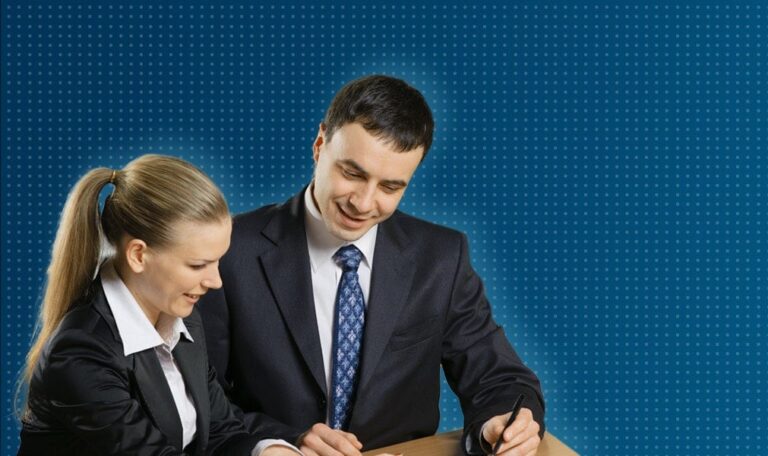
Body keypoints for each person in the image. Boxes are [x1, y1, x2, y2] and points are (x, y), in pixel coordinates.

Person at [198, 75, 545, 456]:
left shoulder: (442, 258)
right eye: (353, 173)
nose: (363, 203)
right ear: (319, 145)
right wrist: (279, 440)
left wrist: (502, 423)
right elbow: (195, 398)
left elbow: (499, 378)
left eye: (390, 187)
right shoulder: (228, 251)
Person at [17, 155, 300, 455]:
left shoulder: (181, 318)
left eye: (218, 261)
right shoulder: (80, 351)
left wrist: (268, 451)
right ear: (138, 255)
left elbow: (220, 431)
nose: (216, 281)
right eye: (198, 265)